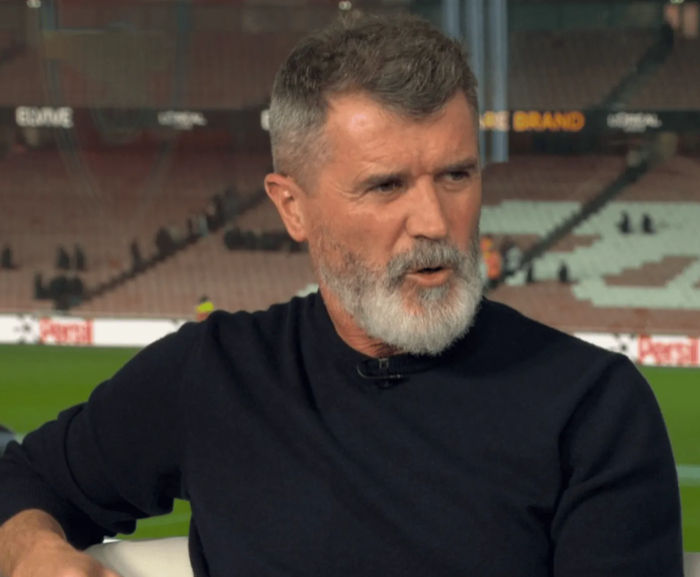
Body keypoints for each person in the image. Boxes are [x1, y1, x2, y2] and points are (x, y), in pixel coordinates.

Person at [0, 15, 682, 577]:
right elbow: (25, 478)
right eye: (387, 185)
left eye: (456, 175)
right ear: (292, 207)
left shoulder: (594, 407)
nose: (434, 221)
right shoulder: (215, 372)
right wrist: (35, 550)